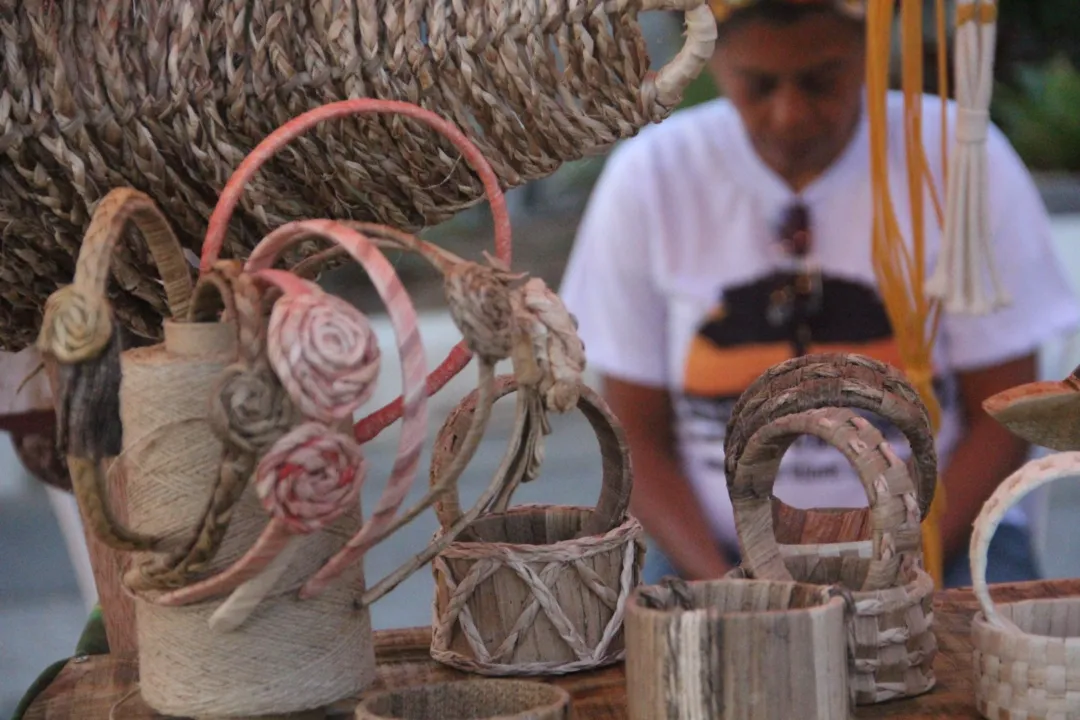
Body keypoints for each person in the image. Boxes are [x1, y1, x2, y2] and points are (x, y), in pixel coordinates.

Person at [558, 0, 1080, 588]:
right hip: (716, 548)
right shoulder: (651, 175)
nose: (790, 114)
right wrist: (726, 587)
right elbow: (637, 439)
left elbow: (1003, 412)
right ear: (712, 61)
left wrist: (902, 569)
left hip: (942, 535)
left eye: (822, 79)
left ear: (871, 54)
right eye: (759, 85)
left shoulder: (961, 156)